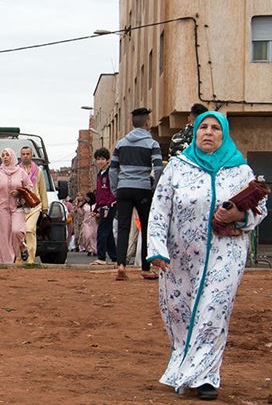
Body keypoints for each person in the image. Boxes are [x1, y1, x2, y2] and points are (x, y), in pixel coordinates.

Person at [146, 111, 267, 400]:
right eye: (204, 127)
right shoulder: (177, 167)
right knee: (180, 313)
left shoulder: (241, 171)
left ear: (224, 135)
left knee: (214, 309)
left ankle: (206, 376)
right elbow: (159, 210)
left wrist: (239, 215)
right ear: (195, 133)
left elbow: (260, 210)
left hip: (226, 254)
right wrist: (157, 250)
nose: (209, 132)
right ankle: (183, 364)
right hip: (180, 257)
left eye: (215, 128)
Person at [109, 107, 163, 281]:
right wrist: (154, 187)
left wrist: (116, 189)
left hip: (124, 187)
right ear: (147, 122)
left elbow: (112, 170)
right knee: (146, 227)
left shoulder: (121, 143)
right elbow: (158, 169)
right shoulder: (152, 144)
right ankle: (145, 269)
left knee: (123, 227)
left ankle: (121, 265)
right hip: (143, 189)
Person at [0, 148, 33, 263]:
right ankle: (7, 263)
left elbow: (30, 186)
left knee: (17, 231)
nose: (5, 157)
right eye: (3, 155)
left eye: (7, 155)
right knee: (3, 237)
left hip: (17, 207)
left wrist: (20, 192)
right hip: (2, 208)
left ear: (12, 156)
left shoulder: (20, 171)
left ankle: (22, 246)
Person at [16, 146, 48, 263]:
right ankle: (19, 257)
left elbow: (42, 189)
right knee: (18, 232)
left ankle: (30, 258)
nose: (25, 156)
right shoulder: (16, 170)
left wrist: (45, 207)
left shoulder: (38, 171)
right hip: (20, 206)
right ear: (20, 156)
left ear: (31, 155)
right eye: (23, 154)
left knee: (29, 229)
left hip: (34, 205)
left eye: (28, 154)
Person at [92, 147, 117, 265]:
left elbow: (113, 190)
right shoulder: (99, 174)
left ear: (107, 160)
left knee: (102, 231)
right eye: (98, 159)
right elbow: (99, 193)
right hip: (102, 206)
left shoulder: (110, 172)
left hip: (110, 205)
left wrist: (108, 204)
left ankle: (101, 257)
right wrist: (96, 207)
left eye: (102, 159)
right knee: (108, 233)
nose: (100, 161)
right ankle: (115, 257)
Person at [80, 192, 98, 256]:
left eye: (87, 197)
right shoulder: (84, 205)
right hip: (86, 222)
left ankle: (94, 250)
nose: (86, 198)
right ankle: (89, 248)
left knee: (94, 236)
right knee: (87, 235)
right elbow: (81, 214)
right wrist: (78, 208)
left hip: (94, 222)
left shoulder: (96, 204)